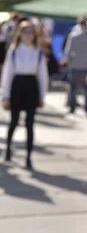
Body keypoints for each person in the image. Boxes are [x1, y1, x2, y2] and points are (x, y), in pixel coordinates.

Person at [1, 20, 48, 170]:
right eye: (25, 32)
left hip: (31, 88)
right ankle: (8, 149)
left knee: (29, 123)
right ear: (20, 34)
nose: (27, 36)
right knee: (14, 121)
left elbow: (42, 75)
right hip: (17, 87)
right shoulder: (14, 51)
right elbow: (7, 75)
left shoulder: (38, 52)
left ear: (34, 35)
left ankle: (28, 157)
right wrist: (6, 96)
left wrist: (42, 95)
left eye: (30, 32)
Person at [63, 17, 87, 116]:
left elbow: (67, 51)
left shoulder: (73, 35)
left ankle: (72, 108)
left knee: (73, 88)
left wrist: (69, 62)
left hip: (74, 65)